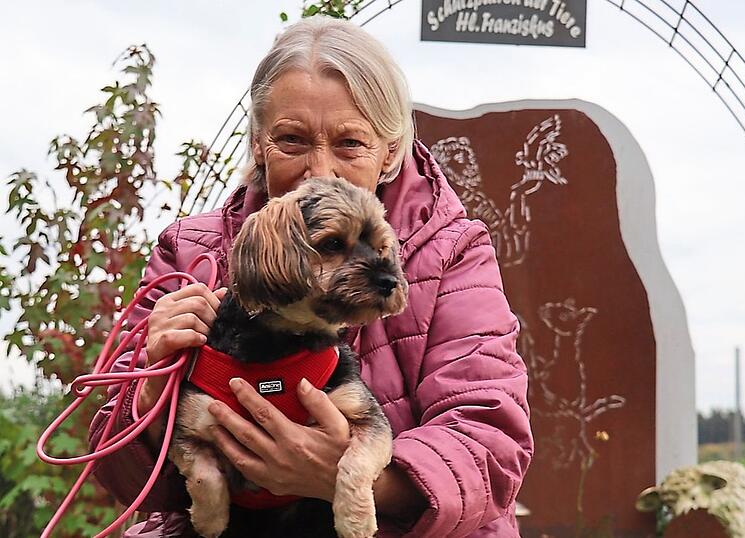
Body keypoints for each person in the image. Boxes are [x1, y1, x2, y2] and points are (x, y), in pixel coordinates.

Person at [89, 15, 533, 537]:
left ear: (390, 150)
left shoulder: (451, 250)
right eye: (292, 140)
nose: (320, 169)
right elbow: (117, 472)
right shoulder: (190, 251)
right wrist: (149, 391)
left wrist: (348, 477)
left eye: (349, 143)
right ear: (258, 144)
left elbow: (489, 441)